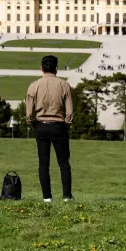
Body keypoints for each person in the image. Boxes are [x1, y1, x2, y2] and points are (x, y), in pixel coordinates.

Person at [26, 55, 74, 202]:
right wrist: (65, 124)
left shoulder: (34, 86)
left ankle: (47, 197)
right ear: (56, 69)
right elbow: (70, 111)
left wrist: (34, 124)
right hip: (58, 125)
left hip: (41, 125)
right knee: (64, 162)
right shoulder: (64, 85)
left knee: (43, 162)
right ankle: (66, 196)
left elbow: (29, 113)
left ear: (41, 68)